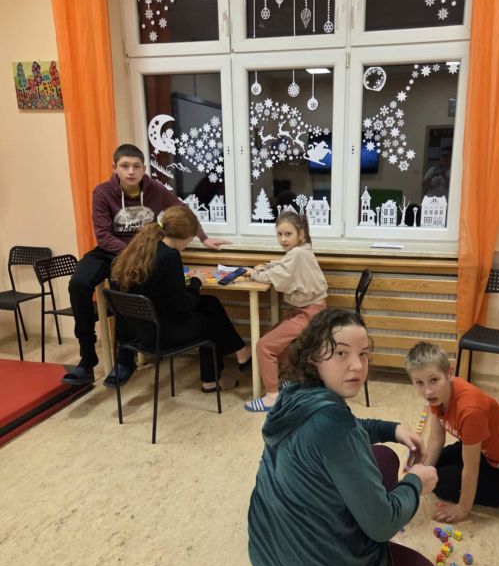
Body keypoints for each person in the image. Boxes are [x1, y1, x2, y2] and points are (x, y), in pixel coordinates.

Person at [248, 309, 439, 566]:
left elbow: (346, 430)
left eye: (364, 354)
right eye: (341, 353)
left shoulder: (293, 395)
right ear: (314, 357)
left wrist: (391, 429)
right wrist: (416, 483)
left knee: (383, 457)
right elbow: (382, 525)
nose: (357, 365)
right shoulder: (331, 424)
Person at [62, 144, 230, 386]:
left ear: (144, 169)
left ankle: (125, 360)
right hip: (112, 250)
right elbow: (103, 236)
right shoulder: (102, 192)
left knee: (124, 288)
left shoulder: (155, 190)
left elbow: (182, 210)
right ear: (115, 168)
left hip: (143, 251)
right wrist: (134, 253)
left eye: (136, 166)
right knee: (78, 283)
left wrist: (203, 237)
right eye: (125, 166)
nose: (131, 171)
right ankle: (87, 359)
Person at [405, 341, 499, 524]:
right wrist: (423, 475)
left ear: (449, 373)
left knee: (441, 484)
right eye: (419, 382)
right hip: (489, 452)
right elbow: (436, 439)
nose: (427, 391)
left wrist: (463, 508)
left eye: (434, 380)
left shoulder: (470, 410)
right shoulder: (438, 396)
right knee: (435, 467)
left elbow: (471, 468)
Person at [110, 205, 250, 392]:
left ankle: (240, 351)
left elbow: (164, 292)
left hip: (138, 332)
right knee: (210, 321)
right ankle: (211, 380)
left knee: (211, 303)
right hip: (160, 335)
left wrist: (186, 284)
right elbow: (185, 304)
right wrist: (196, 282)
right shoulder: (170, 255)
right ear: (185, 236)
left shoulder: (144, 248)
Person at [243, 211, 328, 413]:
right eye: (279, 234)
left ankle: (272, 397)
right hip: (310, 310)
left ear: (301, 234)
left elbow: (278, 276)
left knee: (264, 346)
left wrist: (255, 273)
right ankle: (287, 381)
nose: (283, 239)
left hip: (309, 313)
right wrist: (267, 266)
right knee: (277, 344)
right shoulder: (302, 250)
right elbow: (283, 265)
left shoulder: (298, 254)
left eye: (288, 234)